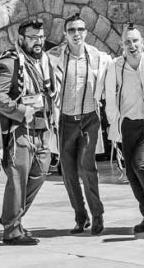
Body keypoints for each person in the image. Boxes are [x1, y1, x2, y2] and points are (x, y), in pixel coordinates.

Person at [0, 18, 58, 245]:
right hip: (21, 130)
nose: (38, 42)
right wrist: (21, 110)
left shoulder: (45, 62)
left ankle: (12, 219)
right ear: (21, 39)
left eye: (40, 37)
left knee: (40, 174)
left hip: (42, 130)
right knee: (17, 179)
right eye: (32, 38)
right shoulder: (9, 63)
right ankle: (12, 229)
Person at [48, 13, 112, 235]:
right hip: (65, 121)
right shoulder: (53, 57)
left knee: (87, 169)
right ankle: (80, 216)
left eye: (80, 30)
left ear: (86, 33)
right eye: (72, 30)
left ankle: (97, 215)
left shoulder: (98, 57)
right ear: (65, 34)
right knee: (68, 174)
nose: (77, 34)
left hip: (88, 119)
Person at [102, 25, 144, 233]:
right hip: (129, 123)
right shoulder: (116, 66)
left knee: (141, 165)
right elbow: (110, 94)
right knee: (130, 172)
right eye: (128, 42)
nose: (132, 45)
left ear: (142, 42)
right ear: (122, 45)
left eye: (135, 41)